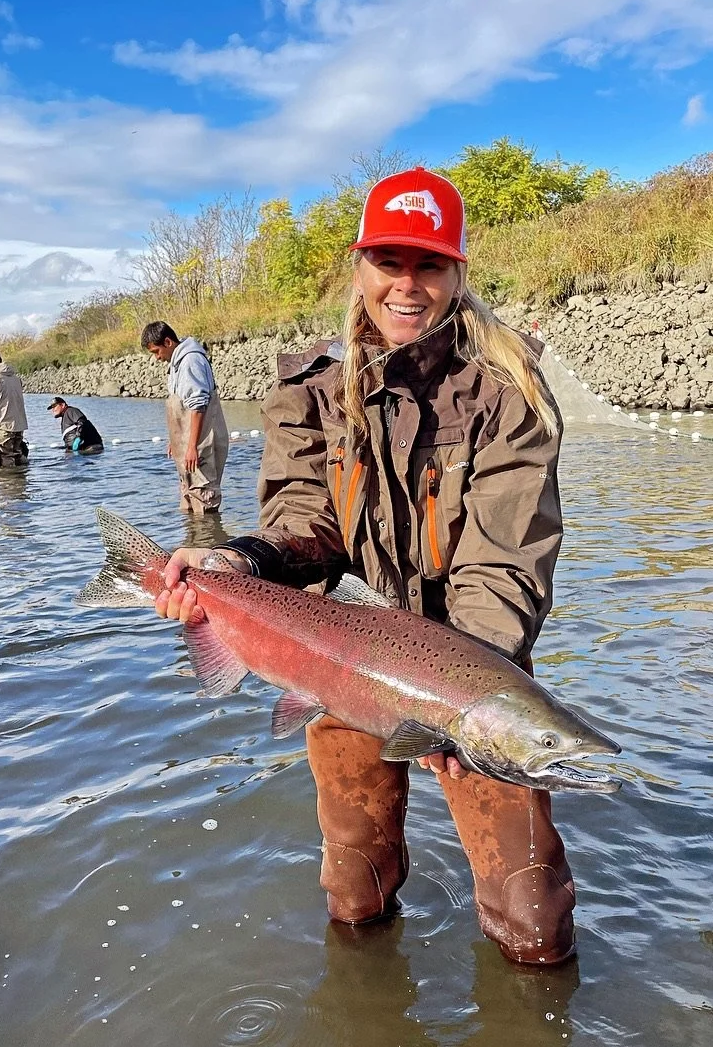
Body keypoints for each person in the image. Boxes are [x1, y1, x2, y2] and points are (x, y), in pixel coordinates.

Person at [153, 168, 575, 966]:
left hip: (470, 672)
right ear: (358, 267)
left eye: (428, 265)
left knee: (534, 916)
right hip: (337, 656)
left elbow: (503, 561)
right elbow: (303, 526)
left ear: (456, 273)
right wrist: (231, 559)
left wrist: (459, 705)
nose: (406, 286)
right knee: (353, 887)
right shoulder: (309, 390)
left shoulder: (507, 392)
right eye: (388, 261)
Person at [141, 321, 228, 514]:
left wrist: (191, 447)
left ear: (168, 342)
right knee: (188, 499)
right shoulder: (176, 364)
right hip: (190, 445)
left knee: (204, 500)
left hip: (201, 445)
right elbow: (180, 408)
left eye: (156, 351)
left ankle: (209, 542)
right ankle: (192, 542)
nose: (157, 358)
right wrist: (176, 441)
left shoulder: (190, 361)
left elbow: (197, 406)